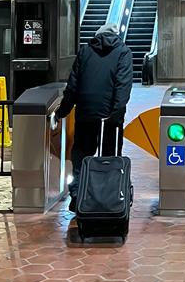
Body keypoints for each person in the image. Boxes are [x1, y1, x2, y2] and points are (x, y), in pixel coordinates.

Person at [56, 23, 133, 211]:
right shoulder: (123, 52)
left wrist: (62, 112)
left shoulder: (85, 51)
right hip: (109, 119)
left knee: (81, 157)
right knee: (109, 159)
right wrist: (117, 114)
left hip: (85, 114)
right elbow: (123, 85)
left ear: (97, 35)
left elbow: (72, 86)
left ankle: (78, 196)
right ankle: (106, 200)